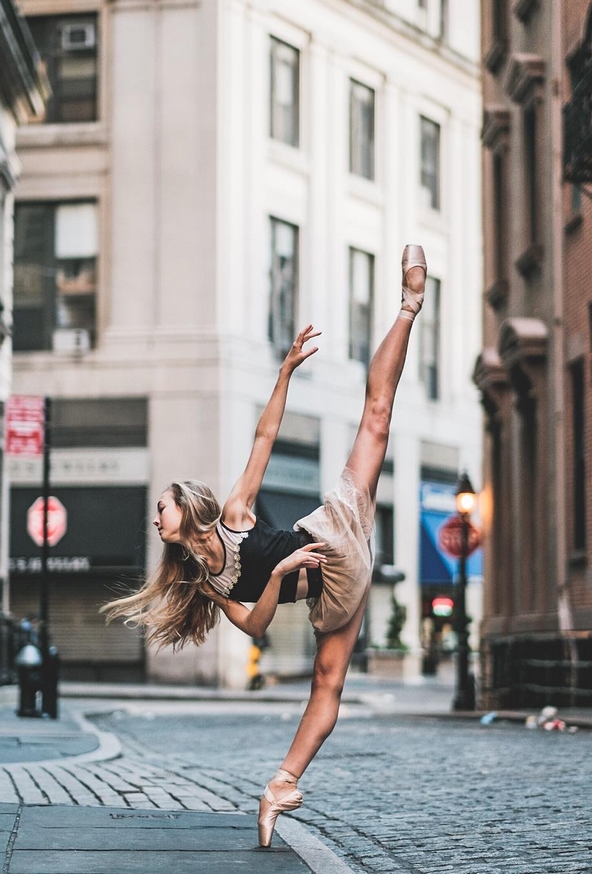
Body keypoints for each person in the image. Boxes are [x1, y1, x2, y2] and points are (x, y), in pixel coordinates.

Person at [102, 245, 427, 847]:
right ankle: (279, 787)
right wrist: (279, 576)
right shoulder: (206, 582)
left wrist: (284, 373)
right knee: (325, 686)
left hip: (332, 533)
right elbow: (254, 626)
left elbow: (265, 435)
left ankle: (410, 304)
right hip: (328, 590)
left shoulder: (232, 516)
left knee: (375, 417)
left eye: (161, 508)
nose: (156, 519)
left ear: (186, 507)